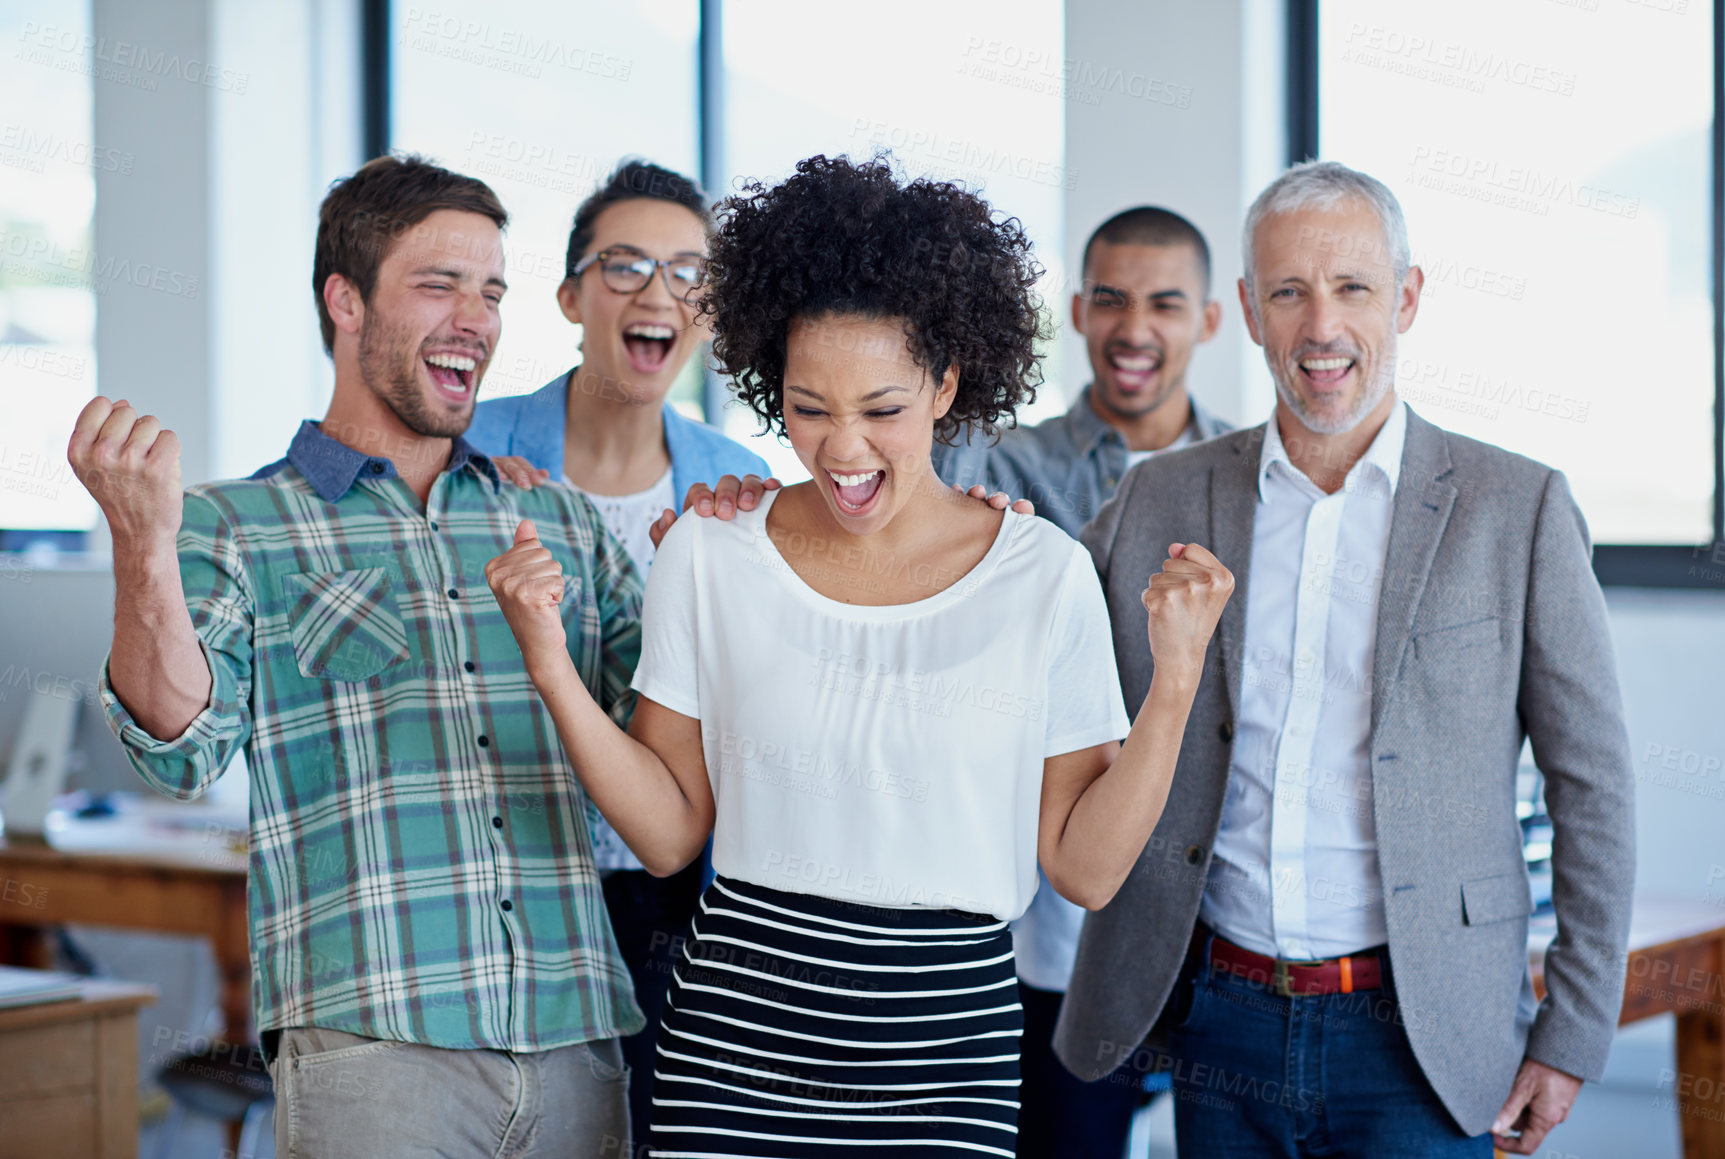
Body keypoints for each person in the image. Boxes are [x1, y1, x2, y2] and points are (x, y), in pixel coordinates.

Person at [483, 154, 1234, 1156]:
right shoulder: (710, 551)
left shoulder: (1042, 574)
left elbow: (1086, 872)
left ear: (947, 384)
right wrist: (550, 664)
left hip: (947, 1048)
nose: (842, 450)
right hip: (737, 1039)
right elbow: (668, 834)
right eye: (808, 408)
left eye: (882, 409)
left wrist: (1176, 679)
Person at [1052, 160, 1635, 1157]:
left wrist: (1572, 1031)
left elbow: (1595, 787)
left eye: (1353, 287)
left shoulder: (1518, 507)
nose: (1321, 326)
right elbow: (1038, 609)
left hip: (1421, 1034)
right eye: (1288, 291)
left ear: (1406, 298)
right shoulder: (1160, 497)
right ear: (1246, 309)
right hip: (1219, 1017)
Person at [71, 155, 646, 1159]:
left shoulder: (559, 520)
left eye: (494, 291)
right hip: (374, 1048)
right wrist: (140, 548)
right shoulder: (231, 524)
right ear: (345, 300)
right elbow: (179, 748)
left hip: (577, 1044)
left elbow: (675, 732)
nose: (478, 316)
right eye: (440, 284)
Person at [466, 158, 768, 1152]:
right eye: (627, 265)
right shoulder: (472, 448)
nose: (660, 293)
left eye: (689, 274)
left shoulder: (739, 482)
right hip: (506, 865)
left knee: (646, 1128)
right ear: (570, 295)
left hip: (667, 885)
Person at [934, 205, 1231, 1159]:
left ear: (1211, 320)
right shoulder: (996, 467)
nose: (1132, 328)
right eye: (1108, 299)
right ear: (1074, 310)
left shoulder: (1252, 477)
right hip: (1058, 920)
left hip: (1217, 918)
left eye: (1163, 303)